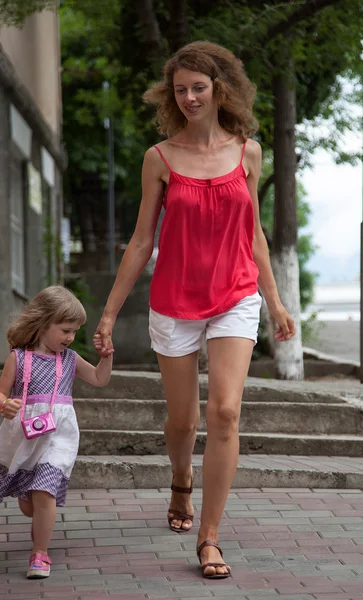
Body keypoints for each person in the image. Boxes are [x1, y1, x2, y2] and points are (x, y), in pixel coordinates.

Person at [93, 40, 295, 579]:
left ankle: (209, 538)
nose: (189, 98)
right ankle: (180, 478)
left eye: (198, 88)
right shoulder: (159, 159)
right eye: (180, 90)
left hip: (234, 294)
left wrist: (274, 303)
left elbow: (253, 232)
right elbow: (140, 242)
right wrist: (110, 313)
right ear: (170, 93)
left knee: (225, 412)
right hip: (176, 301)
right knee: (183, 421)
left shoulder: (247, 151)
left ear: (219, 89)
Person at [0, 285, 114, 580]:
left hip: (58, 436)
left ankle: (40, 554)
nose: (70, 337)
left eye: (75, 331)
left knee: (44, 490)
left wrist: (106, 357)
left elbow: (100, 379)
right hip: (24, 437)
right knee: (31, 506)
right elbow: (1, 392)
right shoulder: (19, 358)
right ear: (42, 323)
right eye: (65, 330)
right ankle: (37, 516)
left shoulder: (71, 360)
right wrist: (6, 404)